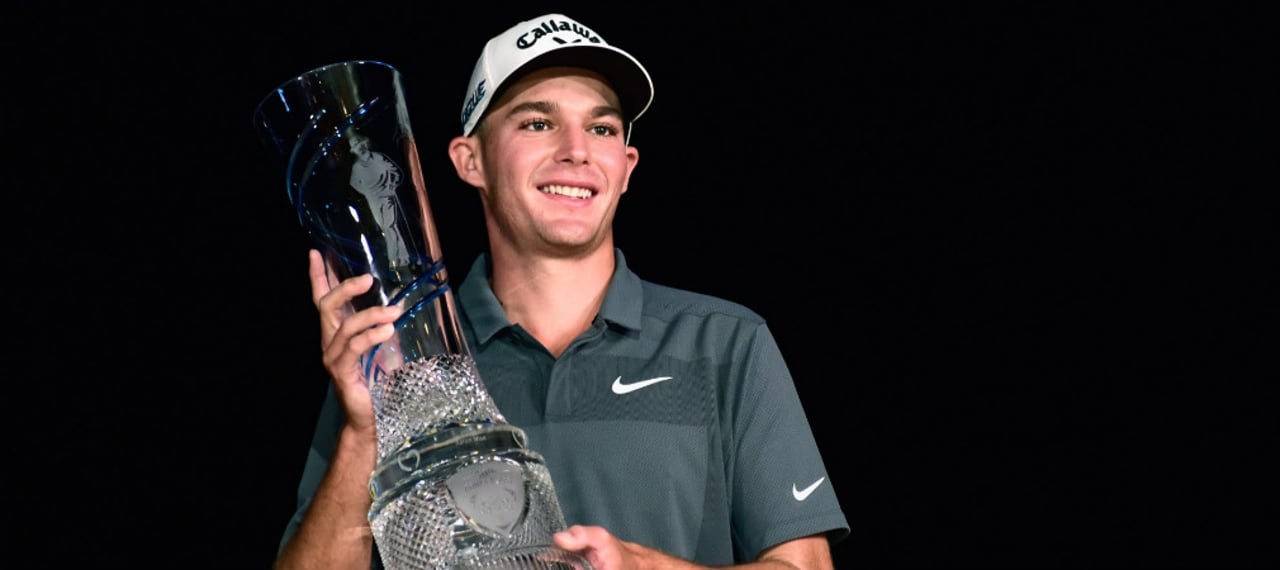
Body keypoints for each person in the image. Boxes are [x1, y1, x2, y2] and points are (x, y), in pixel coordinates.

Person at [274, 12, 849, 569]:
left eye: (601, 128)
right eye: (537, 122)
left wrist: (642, 567)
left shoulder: (726, 343)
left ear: (625, 167)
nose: (577, 149)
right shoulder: (399, 361)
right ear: (468, 160)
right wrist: (363, 431)